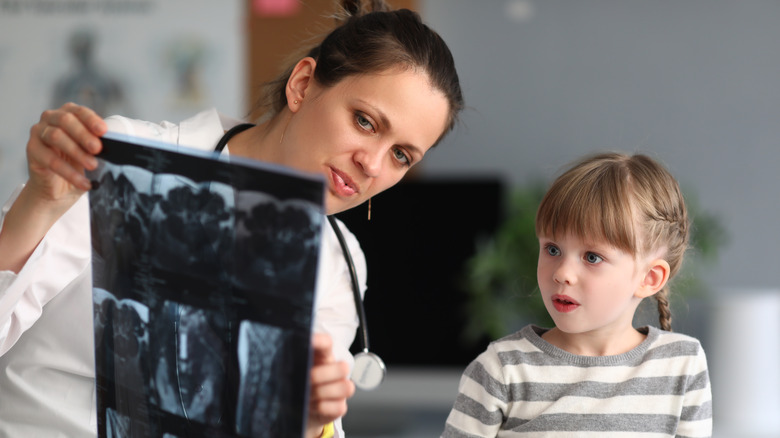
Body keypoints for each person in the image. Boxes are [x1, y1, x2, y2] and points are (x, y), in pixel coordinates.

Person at [0, 0, 463, 436]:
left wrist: (304, 421)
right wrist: (40, 205)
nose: (373, 164)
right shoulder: (126, 163)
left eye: (401, 155)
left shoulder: (337, 266)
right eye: (365, 121)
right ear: (303, 85)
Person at [442, 152, 712, 437]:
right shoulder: (500, 370)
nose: (562, 273)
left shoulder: (683, 364)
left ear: (649, 278)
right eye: (553, 249)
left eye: (592, 257)